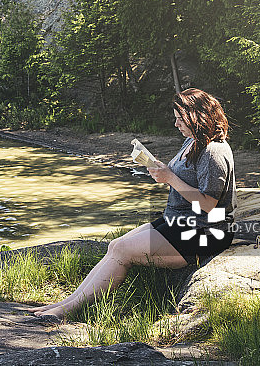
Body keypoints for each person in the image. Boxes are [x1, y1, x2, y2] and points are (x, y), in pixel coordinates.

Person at [29, 88, 237, 320]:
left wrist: (170, 177)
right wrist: (161, 170)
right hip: (178, 222)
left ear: (198, 117)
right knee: (115, 245)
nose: (175, 123)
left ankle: (67, 311)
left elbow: (209, 204)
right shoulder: (192, 141)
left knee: (122, 251)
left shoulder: (213, 151)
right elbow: (182, 178)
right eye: (176, 118)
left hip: (205, 234)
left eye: (180, 118)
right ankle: (66, 302)